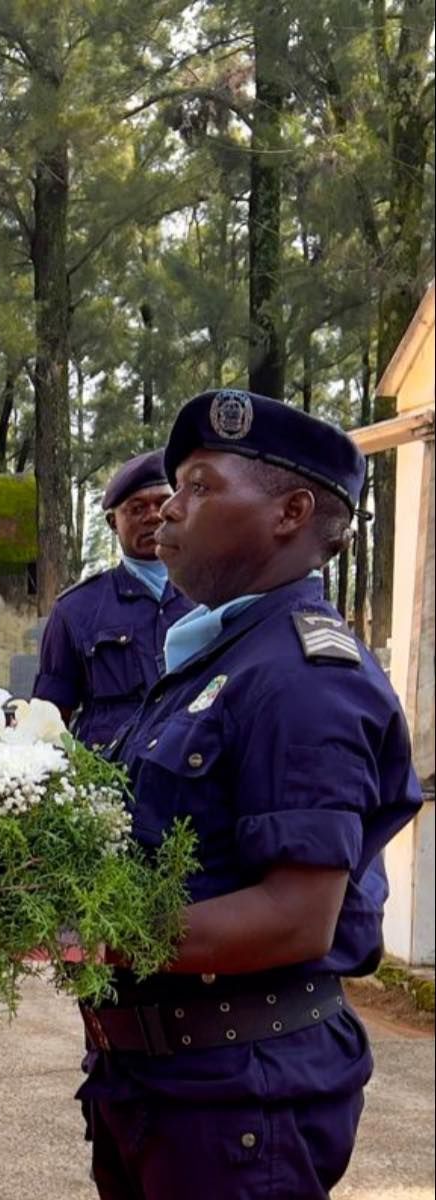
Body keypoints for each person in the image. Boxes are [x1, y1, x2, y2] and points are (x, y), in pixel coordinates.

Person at [77, 389, 423, 1200]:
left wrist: (84, 935)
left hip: (237, 1101)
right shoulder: (219, 658)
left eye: (200, 487)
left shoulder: (302, 675)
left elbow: (297, 916)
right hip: (159, 1084)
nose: (169, 510)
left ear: (290, 513)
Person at [33, 449, 194, 749]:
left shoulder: (213, 595)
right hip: (111, 769)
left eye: (163, 503)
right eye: (136, 508)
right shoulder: (75, 610)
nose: (153, 516)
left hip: (196, 763)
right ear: (112, 522)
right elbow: (49, 719)